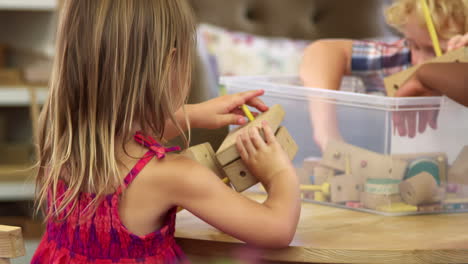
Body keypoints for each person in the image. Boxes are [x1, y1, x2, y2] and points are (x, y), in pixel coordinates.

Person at [31, 1, 300, 263]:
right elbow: (277, 229)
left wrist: (193, 114)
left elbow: (118, 126)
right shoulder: (176, 176)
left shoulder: (58, 141)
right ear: (169, 64)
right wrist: (278, 173)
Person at [300, 0, 468, 150]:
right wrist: (327, 134)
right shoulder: (400, 58)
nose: (419, 61)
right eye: (413, 44)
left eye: (433, 50)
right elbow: (321, 51)